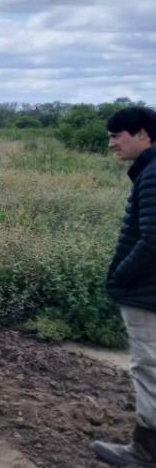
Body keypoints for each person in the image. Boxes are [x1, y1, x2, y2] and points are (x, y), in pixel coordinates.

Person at [92, 106, 156, 466]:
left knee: (149, 369)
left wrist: (120, 277)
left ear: (144, 135)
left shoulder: (151, 174)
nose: (112, 144)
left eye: (118, 136)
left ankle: (145, 452)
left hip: (147, 294)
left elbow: (152, 239)